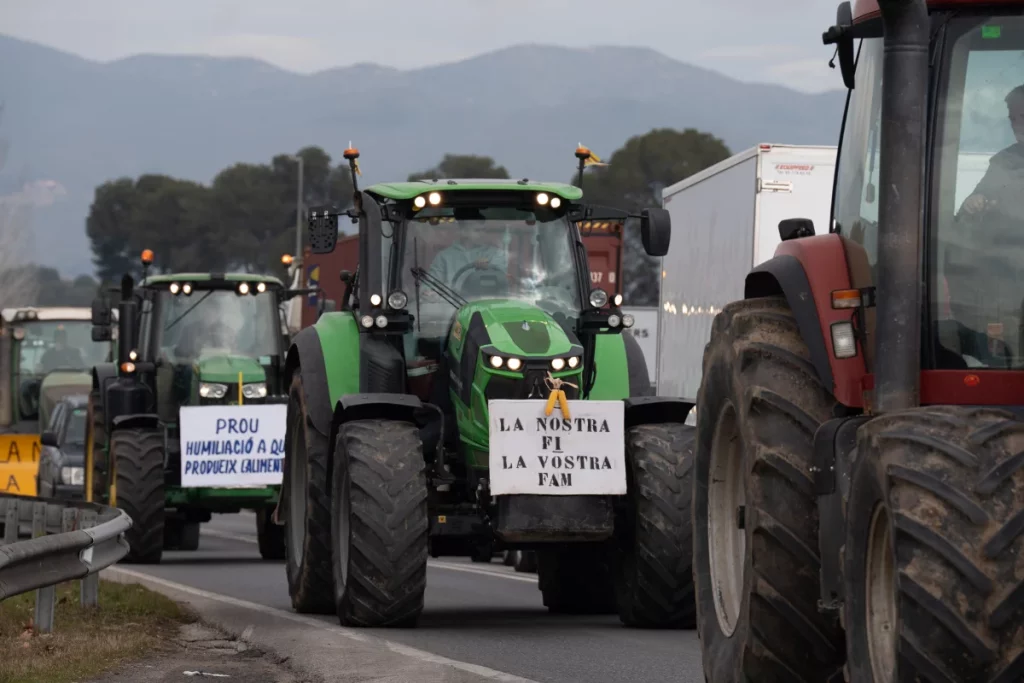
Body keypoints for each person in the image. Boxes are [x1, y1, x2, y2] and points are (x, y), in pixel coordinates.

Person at [958, 84, 1024, 220]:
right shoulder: (1004, 160)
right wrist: (972, 204)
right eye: (1013, 119)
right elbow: (965, 215)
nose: (1017, 125)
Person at [426, 217, 508, 294]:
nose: (482, 234)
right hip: (453, 303)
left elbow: (501, 279)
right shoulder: (444, 256)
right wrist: (428, 292)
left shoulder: (495, 254)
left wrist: (488, 269)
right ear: (463, 232)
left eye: (483, 230)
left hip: (486, 303)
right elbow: (431, 282)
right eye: (477, 230)